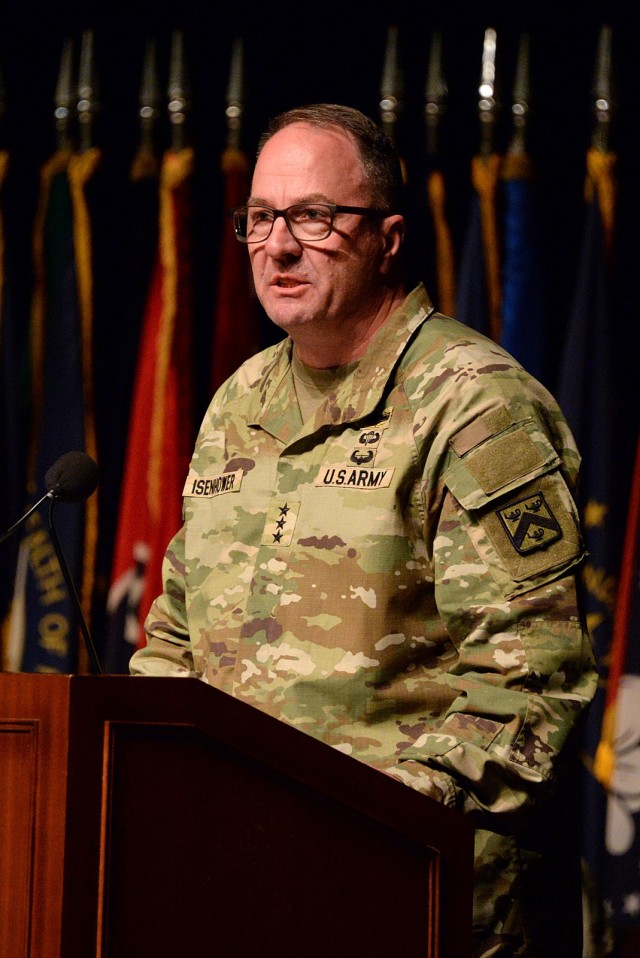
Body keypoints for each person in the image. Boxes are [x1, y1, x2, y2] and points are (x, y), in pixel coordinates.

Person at [131, 103, 597, 957]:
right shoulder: (240, 402)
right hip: (243, 889)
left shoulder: (474, 403)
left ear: (387, 237)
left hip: (424, 903)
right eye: (261, 218)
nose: (278, 246)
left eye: (314, 217)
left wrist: (356, 827)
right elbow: (176, 637)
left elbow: (531, 687)